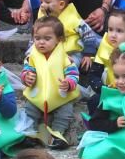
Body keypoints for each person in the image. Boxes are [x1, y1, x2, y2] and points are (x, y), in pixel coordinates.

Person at [21, 17, 80, 150]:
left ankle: (58, 134)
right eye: (37, 38)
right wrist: (27, 78)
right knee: (29, 109)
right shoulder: (31, 58)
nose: (41, 42)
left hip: (59, 97)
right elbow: (26, 71)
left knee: (66, 111)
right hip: (37, 96)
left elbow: (73, 74)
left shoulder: (65, 59)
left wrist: (68, 83)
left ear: (59, 40)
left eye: (47, 39)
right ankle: (30, 133)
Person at [36, 0, 100, 64]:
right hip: (49, 51)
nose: (42, 5)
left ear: (61, 4)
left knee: (69, 64)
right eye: (41, 2)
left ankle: (69, 76)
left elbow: (89, 35)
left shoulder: (73, 20)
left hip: (72, 53)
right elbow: (35, 35)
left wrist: (88, 54)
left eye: (47, 2)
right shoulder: (43, 17)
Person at [82, 8, 125, 94]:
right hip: (108, 91)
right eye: (110, 29)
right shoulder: (105, 46)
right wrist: (102, 88)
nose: (113, 35)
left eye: (119, 31)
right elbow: (94, 75)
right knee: (94, 102)